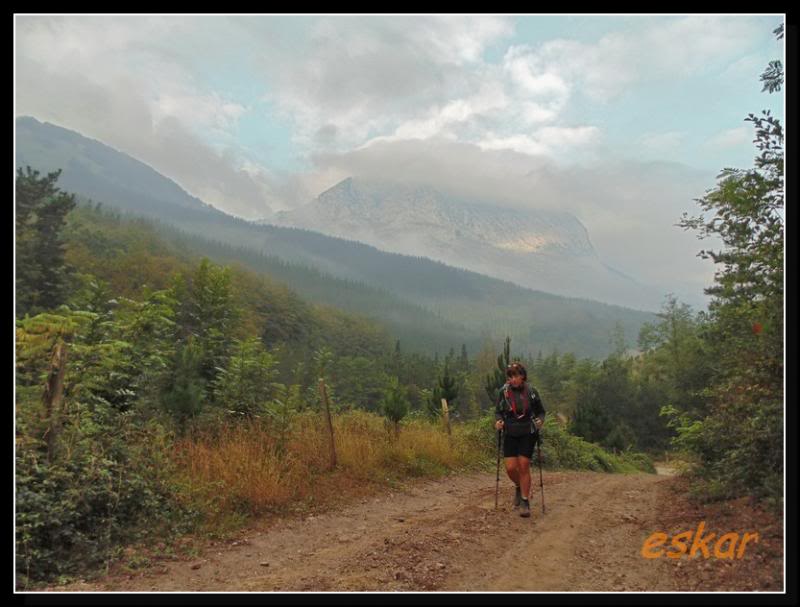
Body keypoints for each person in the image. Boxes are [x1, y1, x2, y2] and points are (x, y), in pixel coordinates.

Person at [494, 362, 545, 517]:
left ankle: (525, 501)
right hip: (510, 431)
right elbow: (498, 411)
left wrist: (540, 422)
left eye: (515, 375)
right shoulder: (504, 392)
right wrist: (498, 421)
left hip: (527, 432)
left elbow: (541, 412)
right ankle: (518, 485)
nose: (512, 379)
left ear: (522, 376)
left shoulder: (531, 391)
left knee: (523, 465)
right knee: (510, 468)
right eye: (510, 376)